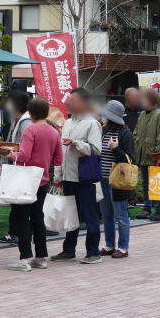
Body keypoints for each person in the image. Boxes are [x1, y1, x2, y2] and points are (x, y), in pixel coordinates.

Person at [6, 97, 63, 270]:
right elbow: (58, 159)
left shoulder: (30, 131)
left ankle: (25, 258)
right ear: (47, 113)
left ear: (30, 113)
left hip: (26, 180)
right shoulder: (54, 132)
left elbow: (23, 156)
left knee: (22, 217)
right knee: (38, 217)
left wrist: (12, 155)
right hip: (43, 179)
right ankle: (41, 257)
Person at [52, 88, 103, 264]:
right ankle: (68, 250)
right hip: (68, 177)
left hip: (85, 178)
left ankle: (93, 252)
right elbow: (61, 151)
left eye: (72, 100)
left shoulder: (92, 123)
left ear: (83, 103)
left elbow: (96, 150)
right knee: (70, 215)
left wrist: (76, 144)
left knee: (90, 216)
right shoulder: (67, 123)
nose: (67, 102)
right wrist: (58, 175)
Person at [98, 99, 136, 259]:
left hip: (118, 182)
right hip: (103, 179)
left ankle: (123, 247)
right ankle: (109, 245)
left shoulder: (125, 134)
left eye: (106, 115)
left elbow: (130, 160)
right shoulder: (104, 131)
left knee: (121, 215)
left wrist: (116, 149)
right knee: (106, 214)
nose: (103, 118)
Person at [135, 89, 160, 221]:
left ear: (151, 100)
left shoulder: (159, 115)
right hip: (143, 155)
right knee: (145, 184)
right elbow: (136, 133)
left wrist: (159, 155)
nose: (142, 101)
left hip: (154, 156)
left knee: (157, 183)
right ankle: (147, 209)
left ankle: (158, 211)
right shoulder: (142, 114)